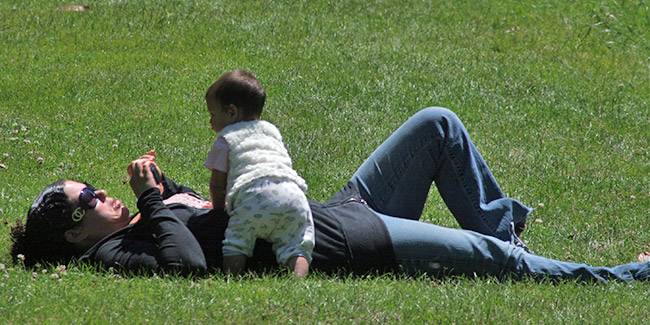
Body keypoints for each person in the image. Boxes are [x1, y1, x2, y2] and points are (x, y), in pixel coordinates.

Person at [9, 107, 650, 282]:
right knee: (490, 259)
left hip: (335, 207)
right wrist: (152, 203)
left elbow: (216, 209)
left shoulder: (142, 221)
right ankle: (624, 277)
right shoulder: (116, 257)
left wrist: (167, 188)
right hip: (345, 240)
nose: (100, 194)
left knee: (437, 124)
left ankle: (504, 233)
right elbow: (192, 267)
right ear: (73, 234)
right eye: (86, 199)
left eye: (91, 187)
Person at [202, 70, 313, 277]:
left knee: (237, 240)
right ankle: (299, 283)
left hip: (253, 195)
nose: (210, 121)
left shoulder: (226, 140)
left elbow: (217, 185)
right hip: (294, 195)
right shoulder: (271, 131)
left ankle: (230, 278)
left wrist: (219, 212)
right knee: (297, 244)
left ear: (232, 112)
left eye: (212, 114)